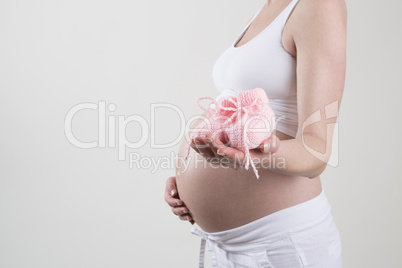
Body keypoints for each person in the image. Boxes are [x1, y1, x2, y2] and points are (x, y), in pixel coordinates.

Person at [165, 0, 347, 267]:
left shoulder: (319, 5)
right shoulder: (268, 7)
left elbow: (317, 151)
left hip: (280, 245)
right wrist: (187, 182)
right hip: (227, 246)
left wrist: (249, 157)